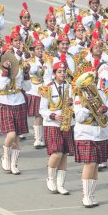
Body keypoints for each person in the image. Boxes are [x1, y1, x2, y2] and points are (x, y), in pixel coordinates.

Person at [73, 62, 108, 208]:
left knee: (96, 164)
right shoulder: (78, 95)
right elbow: (78, 117)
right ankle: (85, 195)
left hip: (101, 133)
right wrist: (88, 108)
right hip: (85, 133)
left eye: (94, 80)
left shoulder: (102, 93)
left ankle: (91, 195)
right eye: (90, 81)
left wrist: (104, 109)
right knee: (90, 163)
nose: (93, 83)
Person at [40, 54, 74, 194]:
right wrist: (54, 115)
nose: (63, 73)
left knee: (65, 153)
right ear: (54, 74)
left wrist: (72, 105)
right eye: (59, 71)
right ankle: (50, 178)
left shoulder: (70, 87)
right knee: (57, 153)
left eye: (64, 71)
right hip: (52, 123)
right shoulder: (47, 88)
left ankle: (61, 184)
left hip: (67, 122)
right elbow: (42, 109)